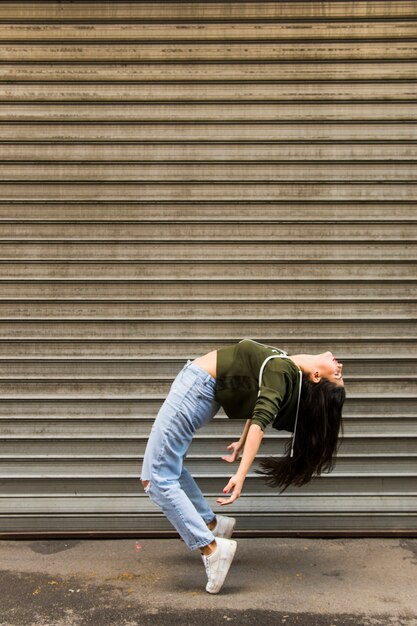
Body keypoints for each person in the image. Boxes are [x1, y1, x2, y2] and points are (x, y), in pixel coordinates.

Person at [140, 338, 346, 594]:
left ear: (316, 376)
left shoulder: (283, 370)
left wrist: (241, 474)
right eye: (340, 372)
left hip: (195, 388)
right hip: (199, 387)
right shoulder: (286, 368)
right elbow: (259, 404)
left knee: (155, 478)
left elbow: (261, 421)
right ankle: (212, 525)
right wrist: (241, 440)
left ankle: (212, 548)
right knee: (168, 467)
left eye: (337, 374)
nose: (339, 365)